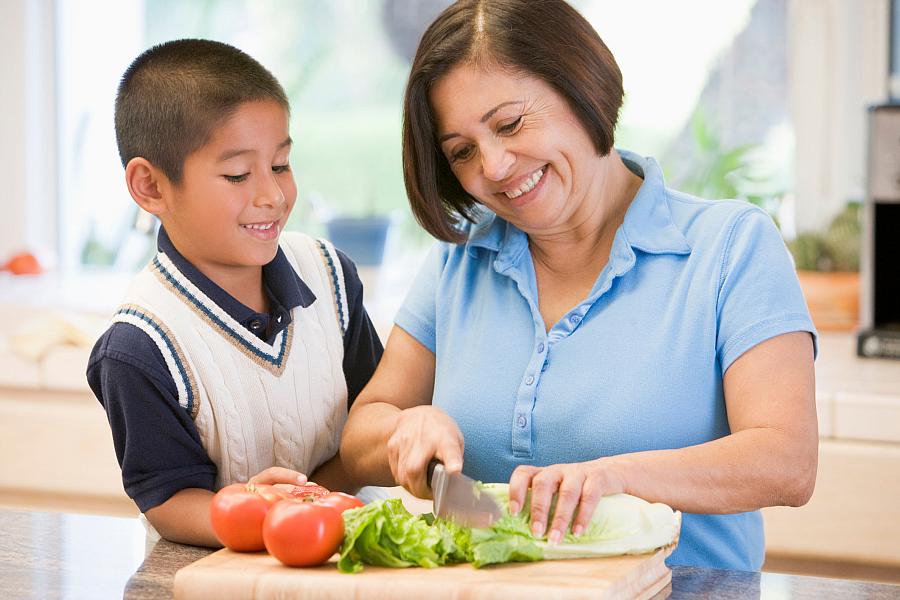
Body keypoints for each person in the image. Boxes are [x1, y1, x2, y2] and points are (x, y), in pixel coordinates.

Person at [340, 0, 817, 571]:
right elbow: (363, 431)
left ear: (581, 84)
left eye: (511, 123)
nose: (492, 168)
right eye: (462, 152)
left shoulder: (731, 246)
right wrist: (405, 427)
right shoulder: (457, 264)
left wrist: (615, 476)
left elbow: (787, 460)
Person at [87, 39, 382, 547]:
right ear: (151, 187)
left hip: (347, 561)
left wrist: (394, 439)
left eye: (282, 165)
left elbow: (376, 408)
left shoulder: (330, 275)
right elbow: (168, 500)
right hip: (218, 574)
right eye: (238, 175)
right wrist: (253, 513)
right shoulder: (138, 348)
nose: (272, 195)